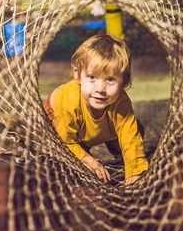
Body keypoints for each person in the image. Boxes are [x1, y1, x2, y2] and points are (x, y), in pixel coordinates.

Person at [44, 35, 148, 185]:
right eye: (92, 77)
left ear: (123, 82)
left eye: (110, 79)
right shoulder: (69, 102)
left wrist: (135, 172)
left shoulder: (121, 102)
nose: (100, 89)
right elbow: (64, 141)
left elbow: (130, 138)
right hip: (59, 120)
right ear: (77, 75)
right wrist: (88, 160)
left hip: (95, 128)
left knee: (135, 132)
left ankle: (112, 147)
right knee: (68, 161)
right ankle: (83, 149)